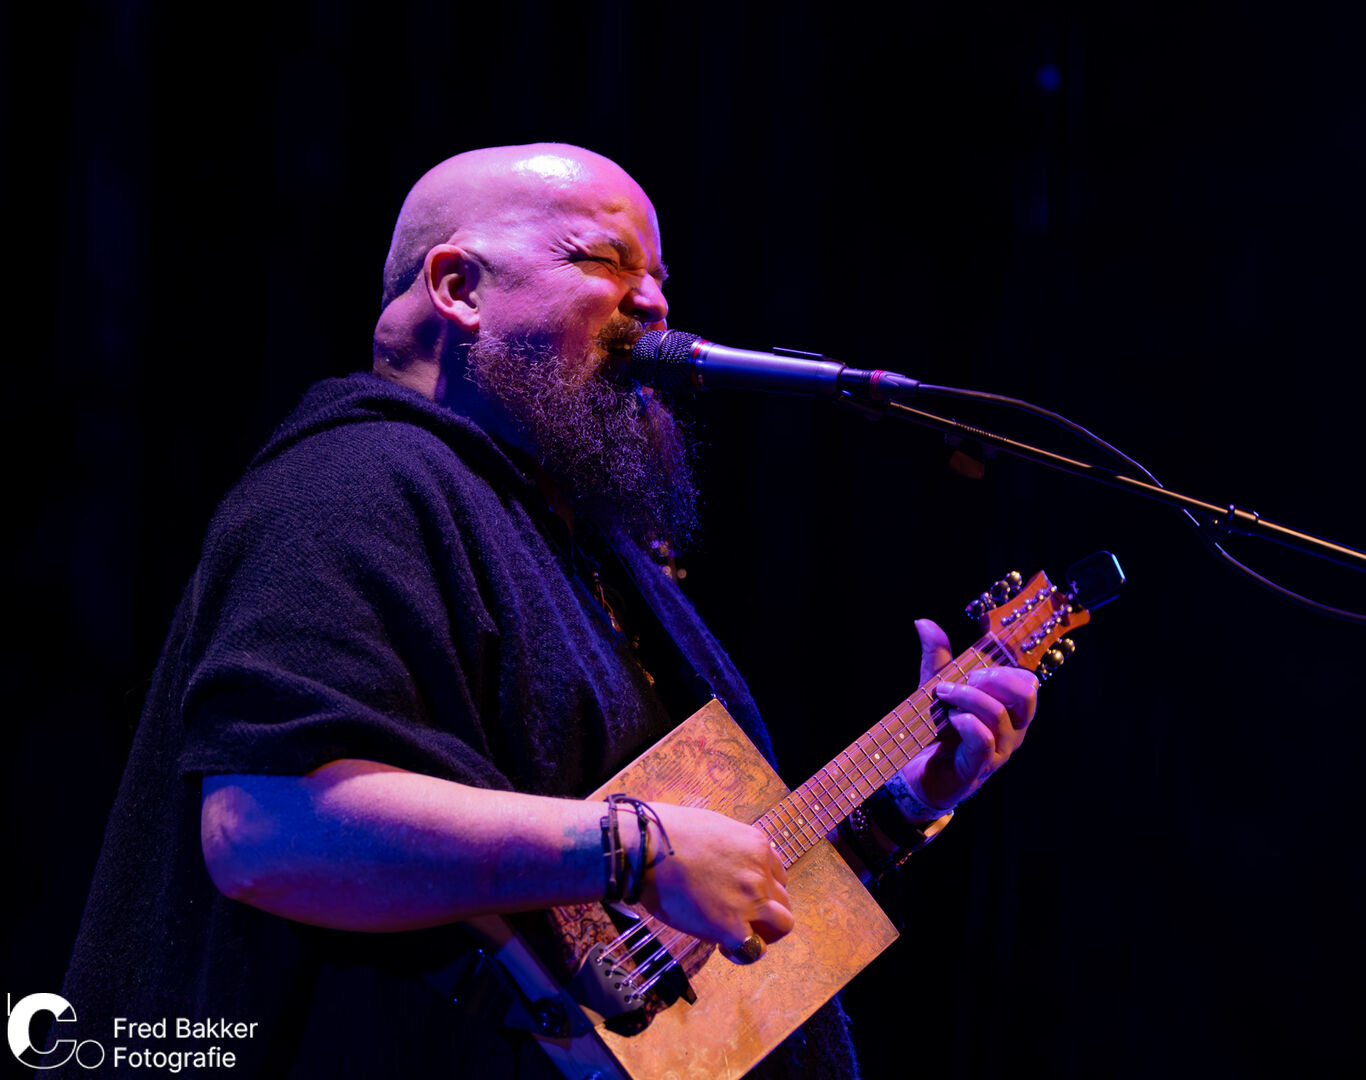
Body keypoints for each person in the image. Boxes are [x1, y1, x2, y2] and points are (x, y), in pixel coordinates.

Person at [52, 144, 1039, 1078]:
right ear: (457, 287)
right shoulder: (353, 481)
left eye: (659, 277)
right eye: (605, 259)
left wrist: (903, 806)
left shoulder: (578, 542)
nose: (650, 302)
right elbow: (268, 827)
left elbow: (671, 951)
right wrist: (635, 845)